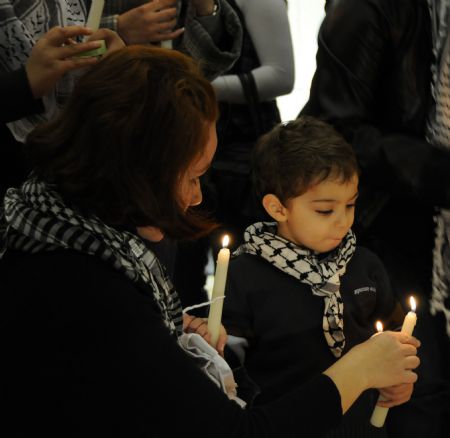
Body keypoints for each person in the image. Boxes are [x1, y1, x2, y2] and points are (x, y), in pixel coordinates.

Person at [0, 45, 420, 437]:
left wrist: (168, 341)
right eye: (191, 176)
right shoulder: (82, 287)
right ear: (137, 170)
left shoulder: (68, 226)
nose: (196, 197)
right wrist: (358, 371)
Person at [300, 1, 450, 436]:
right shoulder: (373, 7)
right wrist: (440, 174)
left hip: (428, 233)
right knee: (415, 398)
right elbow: (331, 131)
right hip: (391, 236)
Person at [222, 116, 409, 437]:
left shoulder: (364, 264)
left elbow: (397, 338)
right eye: (325, 210)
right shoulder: (245, 274)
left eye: (350, 205)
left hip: (362, 427)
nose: (343, 222)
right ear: (277, 208)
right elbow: (226, 369)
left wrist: (402, 378)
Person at [173, 0, 294, 311]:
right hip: (189, 153)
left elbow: (282, 75)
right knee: (185, 275)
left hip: (245, 160)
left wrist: (199, 87)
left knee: (246, 277)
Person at [0, 24, 125, 198]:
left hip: (82, 169)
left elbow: (84, 31)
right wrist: (25, 83)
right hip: (19, 186)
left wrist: (109, 51)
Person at [100, 0, 243, 79]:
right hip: (94, 100)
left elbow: (196, 74)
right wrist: (117, 29)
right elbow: (78, 51)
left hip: (160, 110)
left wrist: (205, 9)